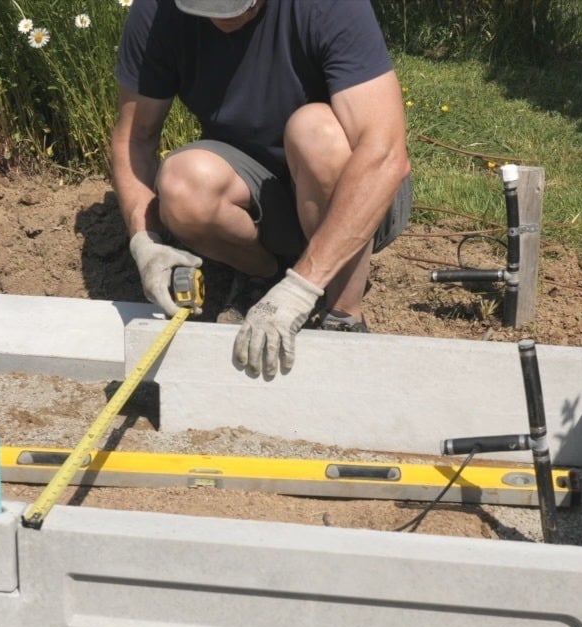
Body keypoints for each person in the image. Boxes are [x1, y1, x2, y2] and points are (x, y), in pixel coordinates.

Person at [111, 0, 412, 379]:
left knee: (314, 132)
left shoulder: (330, 7)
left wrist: (302, 289)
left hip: (352, 197)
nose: (225, 21)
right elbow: (134, 138)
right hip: (257, 189)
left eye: (240, 7)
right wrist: (145, 241)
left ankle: (342, 313)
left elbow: (385, 156)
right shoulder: (157, 12)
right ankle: (264, 275)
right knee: (182, 183)